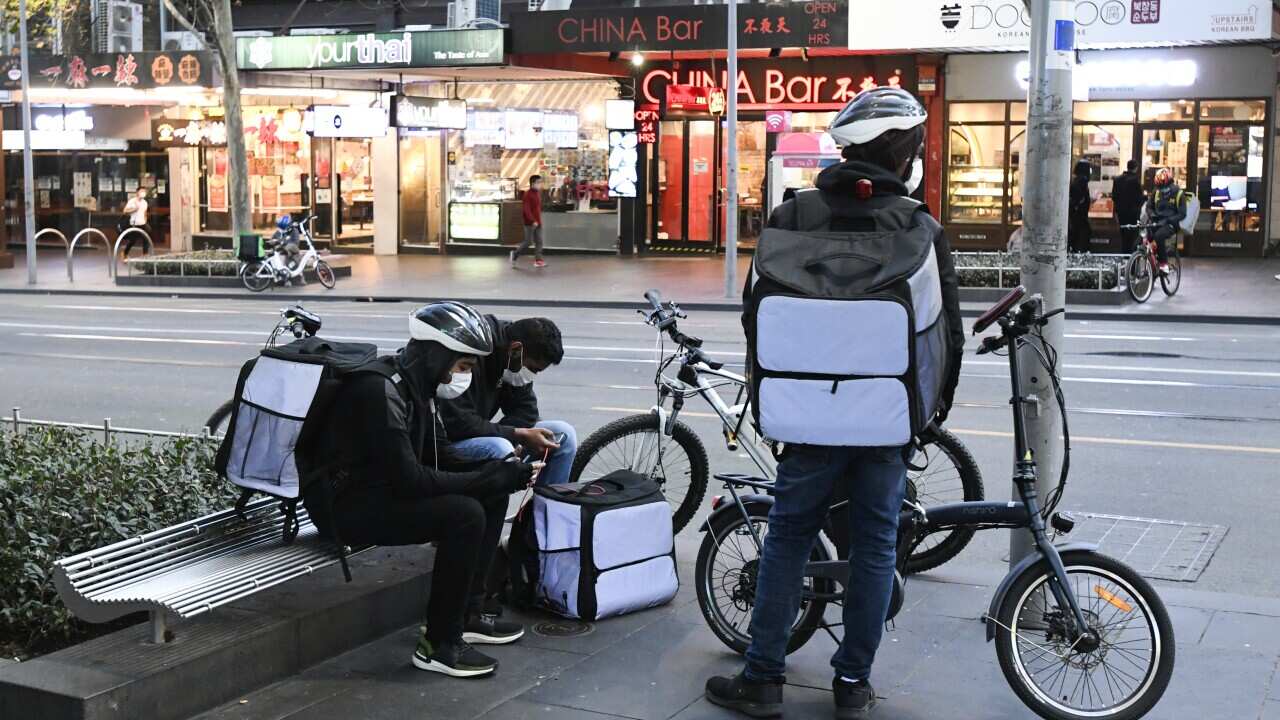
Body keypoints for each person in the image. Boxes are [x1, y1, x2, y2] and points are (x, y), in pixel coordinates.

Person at [705, 87, 964, 719]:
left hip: (808, 418)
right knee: (876, 546)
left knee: (788, 538)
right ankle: (852, 685)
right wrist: (926, 418)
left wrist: (783, 400)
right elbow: (946, 335)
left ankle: (764, 678)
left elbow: (755, 318)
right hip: (886, 418)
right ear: (904, 155)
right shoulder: (919, 227)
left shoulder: (793, 218)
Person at [302, 302, 536, 679]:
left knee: (488, 495)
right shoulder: (380, 391)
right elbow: (411, 479)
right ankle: (439, 645)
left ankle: (469, 614)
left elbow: (437, 453)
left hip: (378, 491)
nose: (463, 377)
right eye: (462, 366)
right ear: (436, 355)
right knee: (464, 515)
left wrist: (498, 473)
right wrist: (486, 478)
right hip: (343, 507)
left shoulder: (417, 386)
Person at [437, 316, 576, 487]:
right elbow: (458, 423)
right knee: (500, 449)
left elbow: (526, 410)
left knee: (563, 434)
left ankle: (547, 511)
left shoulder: (515, 360)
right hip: (446, 443)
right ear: (515, 350)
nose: (531, 375)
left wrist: (514, 438)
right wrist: (513, 434)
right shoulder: (473, 353)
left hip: (484, 434)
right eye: (532, 369)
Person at [1144, 167, 1187, 275]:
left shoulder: (1178, 193)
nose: (1161, 189)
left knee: (1159, 236)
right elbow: (1149, 206)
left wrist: (1169, 220)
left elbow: (1182, 213)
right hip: (1156, 222)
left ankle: (1164, 264)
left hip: (1171, 224)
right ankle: (1143, 262)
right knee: (1142, 238)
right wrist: (1152, 215)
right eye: (1158, 186)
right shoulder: (1156, 192)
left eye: (1163, 186)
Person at [512, 175, 546, 268]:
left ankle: (538, 260)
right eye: (538, 182)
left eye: (540, 182)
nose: (540, 184)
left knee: (539, 241)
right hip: (530, 223)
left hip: (538, 222)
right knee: (528, 242)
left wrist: (538, 220)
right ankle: (515, 254)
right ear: (533, 183)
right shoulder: (527, 194)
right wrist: (532, 220)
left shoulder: (537, 193)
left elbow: (537, 208)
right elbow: (526, 210)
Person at [1112, 160, 1145, 255]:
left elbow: (1114, 196)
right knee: (1132, 236)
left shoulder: (1117, 179)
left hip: (1121, 213)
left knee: (1123, 235)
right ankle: (1131, 257)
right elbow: (1139, 198)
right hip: (1133, 213)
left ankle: (1123, 254)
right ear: (1136, 168)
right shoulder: (1135, 180)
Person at [1069, 159, 1094, 253]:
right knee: (1082, 235)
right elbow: (1079, 198)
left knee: (1078, 234)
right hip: (1079, 215)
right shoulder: (1082, 181)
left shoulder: (1077, 180)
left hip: (1077, 215)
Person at [119, 188, 150, 258]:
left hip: (142, 223)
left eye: (144, 192)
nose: (143, 193)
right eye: (141, 191)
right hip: (134, 224)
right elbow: (125, 211)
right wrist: (135, 209)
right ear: (137, 192)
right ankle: (124, 253)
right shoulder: (132, 201)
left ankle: (145, 254)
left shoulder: (145, 202)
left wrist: (145, 220)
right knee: (133, 240)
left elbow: (145, 213)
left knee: (146, 237)